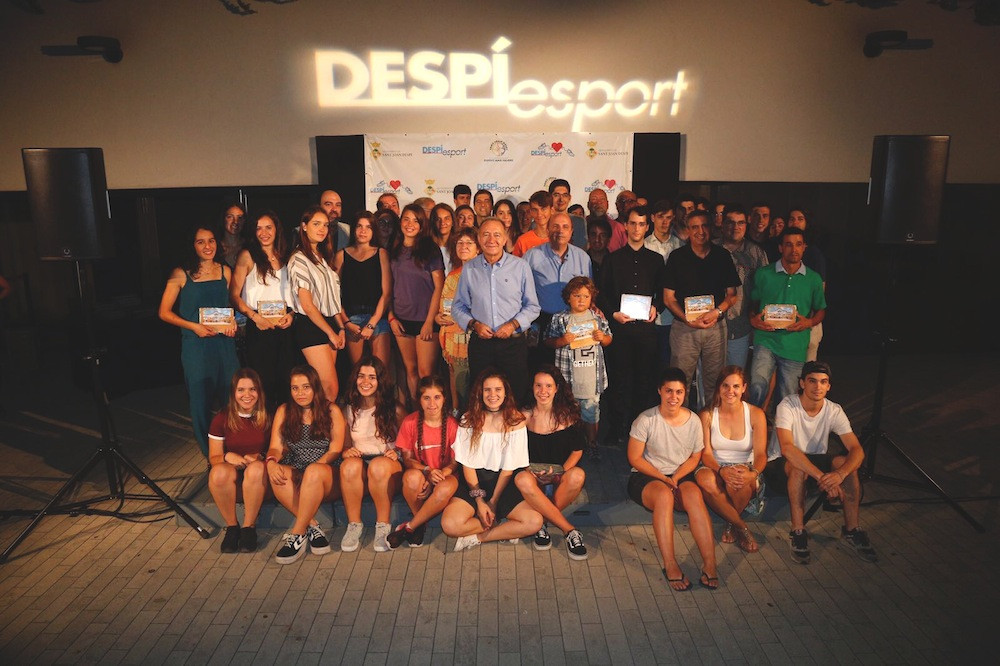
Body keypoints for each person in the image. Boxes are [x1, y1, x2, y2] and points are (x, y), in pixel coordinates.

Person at [765, 361, 877, 564]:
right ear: (802, 383)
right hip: (783, 464)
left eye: (823, 382)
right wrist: (823, 478)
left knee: (845, 464)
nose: (818, 387)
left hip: (816, 461)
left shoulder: (834, 410)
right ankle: (798, 532)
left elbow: (857, 450)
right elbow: (787, 448)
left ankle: (852, 529)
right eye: (812, 381)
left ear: (829, 386)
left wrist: (839, 475)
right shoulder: (787, 405)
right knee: (798, 468)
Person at [627, 367, 719, 591]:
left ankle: (710, 564)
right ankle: (670, 564)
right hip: (647, 475)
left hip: (680, 473)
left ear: (685, 393)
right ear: (660, 391)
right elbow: (634, 458)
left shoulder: (693, 420)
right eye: (669, 391)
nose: (674, 397)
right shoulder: (646, 419)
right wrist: (662, 478)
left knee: (694, 495)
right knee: (664, 497)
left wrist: (676, 477)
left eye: (679, 392)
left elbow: (696, 456)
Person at [158, 224, 240, 457]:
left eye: (211, 240)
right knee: (200, 401)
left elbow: (228, 306)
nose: (207, 246)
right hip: (196, 346)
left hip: (224, 344)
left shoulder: (225, 271)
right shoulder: (180, 273)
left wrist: (233, 322)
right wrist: (194, 327)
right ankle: (212, 456)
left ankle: (235, 450)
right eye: (200, 242)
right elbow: (164, 312)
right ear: (192, 246)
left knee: (232, 397)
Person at [440, 370, 545, 551]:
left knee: (534, 521)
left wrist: (493, 502)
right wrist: (480, 502)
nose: (492, 394)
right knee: (450, 525)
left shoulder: (516, 420)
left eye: (498, 389)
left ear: (505, 392)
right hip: (475, 484)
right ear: (480, 393)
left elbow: (509, 468)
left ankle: (478, 537)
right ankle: (504, 527)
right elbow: (468, 466)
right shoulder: (468, 419)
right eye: (487, 390)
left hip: (504, 483)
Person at [451, 218, 540, 404]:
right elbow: (458, 307)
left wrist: (513, 325)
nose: (491, 240)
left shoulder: (520, 266)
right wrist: (474, 324)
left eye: (497, 235)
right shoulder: (469, 269)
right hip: (481, 344)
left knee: (516, 396)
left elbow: (533, 307)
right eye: (486, 234)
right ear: (479, 239)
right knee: (481, 397)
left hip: (513, 344)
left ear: (505, 238)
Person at [266, 365, 346, 564]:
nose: (300, 393)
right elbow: (275, 447)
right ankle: (312, 527)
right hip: (297, 467)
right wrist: (271, 462)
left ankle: (297, 533)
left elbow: (335, 449)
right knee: (276, 473)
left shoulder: (331, 410)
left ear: (315, 387)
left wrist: (312, 470)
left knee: (314, 472)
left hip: (327, 472)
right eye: (295, 388)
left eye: (306, 387)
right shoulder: (284, 410)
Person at [662, 210, 740, 410]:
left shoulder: (722, 256)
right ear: (688, 230)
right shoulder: (677, 257)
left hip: (715, 328)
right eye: (695, 227)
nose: (700, 231)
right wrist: (686, 319)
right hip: (684, 329)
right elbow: (668, 298)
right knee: (680, 383)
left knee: (715, 383)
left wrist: (717, 312)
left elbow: (732, 295)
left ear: (711, 228)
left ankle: (710, 424)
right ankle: (682, 424)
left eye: (704, 225)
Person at [597, 206, 663, 442]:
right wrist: (613, 313)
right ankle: (616, 428)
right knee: (618, 380)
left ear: (647, 227)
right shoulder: (612, 259)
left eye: (641, 224)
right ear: (625, 226)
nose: (636, 228)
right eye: (632, 223)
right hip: (620, 329)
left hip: (646, 331)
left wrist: (657, 307)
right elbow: (601, 293)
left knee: (644, 381)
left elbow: (663, 293)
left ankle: (639, 429)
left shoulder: (656, 260)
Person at [513, 366, 589, 559]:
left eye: (548, 386)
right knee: (521, 479)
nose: (543, 391)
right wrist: (528, 469)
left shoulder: (569, 416)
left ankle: (541, 523)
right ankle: (569, 530)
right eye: (538, 385)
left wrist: (561, 472)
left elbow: (577, 450)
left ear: (557, 389)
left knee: (578, 475)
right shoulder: (524, 415)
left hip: (559, 472)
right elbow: (513, 448)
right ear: (532, 387)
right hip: (531, 473)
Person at [748, 226, 826, 411]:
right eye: (789, 245)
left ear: (804, 247)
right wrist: (753, 319)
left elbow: (821, 310)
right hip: (766, 340)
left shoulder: (813, 279)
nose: (794, 249)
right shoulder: (764, 274)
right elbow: (752, 305)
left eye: (798, 244)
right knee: (757, 386)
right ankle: (752, 425)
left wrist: (809, 322)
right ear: (781, 248)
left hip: (795, 344)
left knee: (787, 398)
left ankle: (780, 429)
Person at [694, 365, 767, 553]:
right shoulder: (707, 415)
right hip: (714, 465)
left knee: (740, 479)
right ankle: (740, 526)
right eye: (725, 386)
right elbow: (706, 454)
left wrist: (753, 473)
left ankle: (730, 522)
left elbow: (761, 455)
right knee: (705, 479)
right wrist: (721, 470)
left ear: (744, 388)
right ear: (719, 387)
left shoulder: (756, 414)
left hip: (746, 467)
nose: (730, 391)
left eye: (736, 386)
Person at [338, 358, 407, 552]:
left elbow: (409, 442)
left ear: (380, 381)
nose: (365, 382)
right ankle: (354, 525)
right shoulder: (348, 410)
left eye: (371, 377)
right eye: (361, 376)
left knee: (378, 465)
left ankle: (383, 525)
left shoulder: (395, 408)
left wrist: (398, 451)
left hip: (388, 465)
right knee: (349, 465)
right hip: (362, 464)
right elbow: (345, 445)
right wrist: (347, 451)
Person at [230, 210, 294, 411]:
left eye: (268, 227)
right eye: (258, 228)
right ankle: (264, 427)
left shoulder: (287, 256)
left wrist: (292, 315)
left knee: (286, 382)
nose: (264, 233)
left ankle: (284, 427)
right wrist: (255, 317)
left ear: (277, 230)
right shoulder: (247, 255)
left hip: (285, 326)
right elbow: (234, 295)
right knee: (263, 383)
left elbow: (296, 294)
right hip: (258, 326)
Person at [386, 375, 460, 549]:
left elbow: (455, 462)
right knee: (411, 478)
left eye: (437, 397)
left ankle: (411, 526)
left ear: (444, 399)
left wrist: (438, 475)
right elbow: (407, 459)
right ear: (419, 399)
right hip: (422, 472)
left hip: (446, 475)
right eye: (426, 398)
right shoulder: (410, 422)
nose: (432, 403)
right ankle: (420, 524)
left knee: (445, 488)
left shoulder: (452, 424)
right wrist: (427, 471)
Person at [545, 276, 612, 459]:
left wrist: (602, 338)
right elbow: (548, 341)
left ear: (591, 298)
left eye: (586, 296)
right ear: (568, 297)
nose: (581, 300)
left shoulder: (597, 317)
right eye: (576, 296)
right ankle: (570, 446)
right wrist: (561, 341)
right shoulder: (560, 318)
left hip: (591, 378)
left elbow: (609, 339)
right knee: (566, 412)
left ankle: (592, 443)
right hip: (568, 378)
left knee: (591, 412)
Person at [207, 368, 271, 553]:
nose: (247, 395)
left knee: (256, 469)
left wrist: (260, 456)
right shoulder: (222, 418)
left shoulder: (268, 416)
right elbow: (214, 458)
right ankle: (232, 527)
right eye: (241, 390)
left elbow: (280, 450)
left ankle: (249, 528)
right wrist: (227, 456)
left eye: (252, 389)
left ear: (259, 391)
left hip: (259, 480)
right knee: (218, 472)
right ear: (233, 393)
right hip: (233, 482)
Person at [287, 205, 346, 401]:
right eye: (316, 224)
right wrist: (330, 332)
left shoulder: (322, 257)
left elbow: (332, 299)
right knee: (329, 389)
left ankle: (321, 421)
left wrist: (340, 327)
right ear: (304, 226)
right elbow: (307, 305)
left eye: (325, 225)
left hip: (329, 323)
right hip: (312, 326)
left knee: (324, 390)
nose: (322, 229)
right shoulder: (299, 259)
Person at [388, 204, 445, 406]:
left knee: (425, 373)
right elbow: (388, 286)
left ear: (422, 225)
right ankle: (415, 412)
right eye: (406, 219)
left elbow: (439, 287)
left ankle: (430, 411)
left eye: (415, 220)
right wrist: (391, 317)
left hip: (425, 321)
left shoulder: (430, 249)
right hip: (401, 320)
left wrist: (429, 322)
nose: (410, 224)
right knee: (410, 370)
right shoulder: (394, 249)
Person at [524, 211, 592, 369]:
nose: (560, 231)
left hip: (574, 323)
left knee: (571, 371)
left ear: (571, 231)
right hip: (542, 321)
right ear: (547, 229)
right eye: (555, 226)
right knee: (542, 370)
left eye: (565, 227)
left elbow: (589, 291)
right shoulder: (532, 256)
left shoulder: (583, 258)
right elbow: (521, 291)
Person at [333, 211, 392, 369]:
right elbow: (334, 294)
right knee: (358, 371)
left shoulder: (381, 254)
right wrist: (346, 322)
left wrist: (372, 324)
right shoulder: (341, 255)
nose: (363, 231)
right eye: (359, 226)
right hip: (352, 320)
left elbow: (386, 293)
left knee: (380, 371)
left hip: (377, 319)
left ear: (374, 231)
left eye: (368, 227)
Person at [714, 205, 769, 371]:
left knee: (735, 376)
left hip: (741, 326)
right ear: (722, 224)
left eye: (740, 223)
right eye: (730, 222)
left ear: (747, 224)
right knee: (709, 378)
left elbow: (764, 291)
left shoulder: (756, 253)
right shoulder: (710, 249)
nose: (735, 227)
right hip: (711, 326)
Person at [436, 227, 479, 413]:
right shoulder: (452, 276)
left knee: (476, 386)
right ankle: (456, 413)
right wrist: (439, 317)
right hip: (454, 339)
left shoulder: (484, 274)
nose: (463, 246)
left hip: (476, 338)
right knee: (457, 381)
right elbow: (444, 307)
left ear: (478, 248)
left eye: (469, 243)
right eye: (460, 243)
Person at [644, 199, 684, 373]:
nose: (665, 222)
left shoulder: (680, 246)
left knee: (669, 363)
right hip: (648, 312)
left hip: (673, 315)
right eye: (661, 217)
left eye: (669, 217)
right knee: (649, 363)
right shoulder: (644, 245)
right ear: (652, 218)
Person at [548, 178, 587, 249]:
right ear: (549, 197)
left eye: (565, 195)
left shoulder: (578, 221)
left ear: (569, 198)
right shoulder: (543, 221)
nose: (561, 199)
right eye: (556, 195)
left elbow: (582, 248)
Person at [512, 190, 553, 257]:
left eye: (543, 209)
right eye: (535, 210)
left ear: (552, 210)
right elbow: (515, 263)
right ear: (531, 212)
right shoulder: (523, 241)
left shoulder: (560, 237)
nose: (539, 214)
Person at [430, 202, 456, 274]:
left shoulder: (459, 246)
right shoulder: (427, 247)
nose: (442, 223)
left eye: (446, 218)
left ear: (453, 222)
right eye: (438, 219)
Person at [585, 217, 612, 282]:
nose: (597, 239)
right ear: (588, 237)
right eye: (593, 235)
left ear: (608, 240)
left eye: (602, 235)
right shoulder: (582, 261)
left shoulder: (614, 262)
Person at [219, 203, 246, 268]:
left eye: (239, 217)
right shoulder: (215, 248)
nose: (235, 222)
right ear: (223, 219)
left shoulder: (250, 246)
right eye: (230, 217)